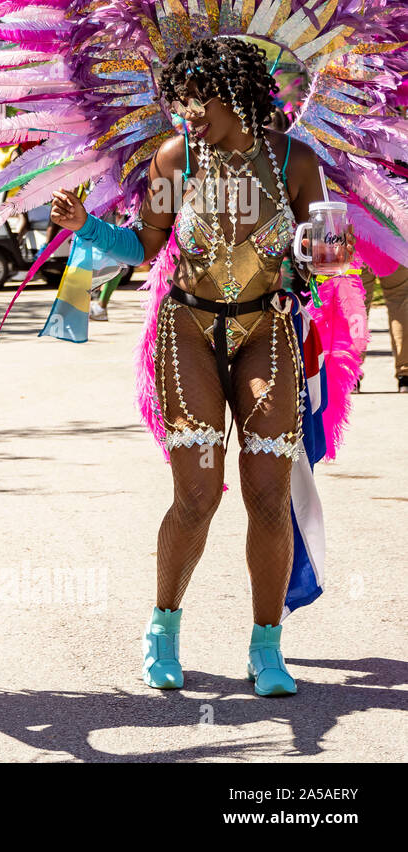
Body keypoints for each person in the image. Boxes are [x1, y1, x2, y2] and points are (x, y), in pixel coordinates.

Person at [50, 37, 334, 695]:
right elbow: (146, 245)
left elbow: (330, 247)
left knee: (268, 495)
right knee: (197, 496)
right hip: (188, 329)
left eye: (196, 97)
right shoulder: (177, 157)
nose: (185, 111)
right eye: (179, 99)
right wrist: (86, 227)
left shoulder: (298, 162)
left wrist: (316, 247)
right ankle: (164, 627)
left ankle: (267, 650)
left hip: (266, 326)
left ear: (235, 92)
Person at [358, 259, 408, 392]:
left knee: (357, 305)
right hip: (396, 244)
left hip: (359, 245)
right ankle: (405, 375)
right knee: (400, 302)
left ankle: (352, 373)